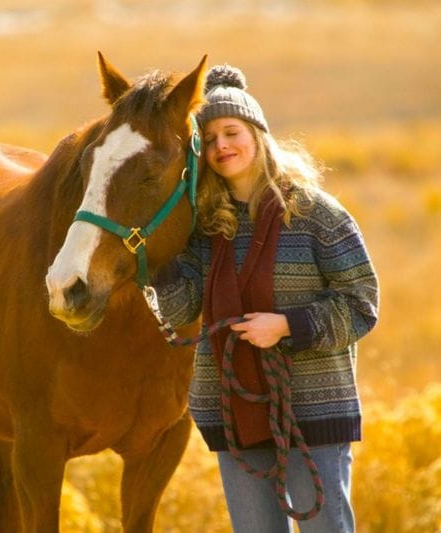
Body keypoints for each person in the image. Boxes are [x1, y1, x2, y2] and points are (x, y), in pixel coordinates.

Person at [152, 64, 379, 532]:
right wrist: (154, 252)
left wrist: (286, 325)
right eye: (209, 139)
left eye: (231, 132)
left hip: (314, 410)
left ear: (257, 135)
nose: (221, 147)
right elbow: (179, 310)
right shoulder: (205, 228)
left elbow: (361, 304)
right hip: (234, 418)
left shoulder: (317, 215)